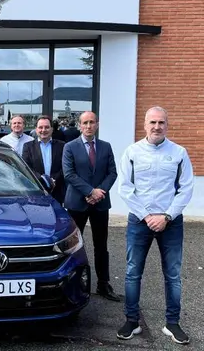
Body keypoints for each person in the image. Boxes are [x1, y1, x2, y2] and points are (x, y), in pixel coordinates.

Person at [116, 106, 194, 344]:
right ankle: (132, 321)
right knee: (133, 272)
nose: (157, 127)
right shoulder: (132, 152)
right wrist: (147, 216)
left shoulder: (179, 153)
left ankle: (172, 323)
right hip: (139, 221)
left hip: (171, 222)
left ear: (167, 125)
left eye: (161, 122)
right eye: (153, 122)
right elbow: (125, 188)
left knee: (173, 275)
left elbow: (186, 188)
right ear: (145, 125)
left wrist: (166, 216)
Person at [62, 111, 121, 302]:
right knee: (73, 245)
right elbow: (69, 174)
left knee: (101, 245)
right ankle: (71, 283)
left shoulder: (106, 146)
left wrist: (99, 192)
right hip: (77, 203)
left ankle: (103, 284)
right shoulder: (70, 147)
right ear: (80, 125)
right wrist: (89, 192)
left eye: (92, 122)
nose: (89, 126)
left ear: (97, 124)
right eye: (85, 123)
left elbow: (112, 173)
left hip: (100, 203)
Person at [22, 116, 66, 205]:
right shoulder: (28, 146)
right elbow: (26, 167)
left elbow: (65, 167)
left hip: (57, 191)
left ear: (52, 129)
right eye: (40, 127)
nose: (43, 130)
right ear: (36, 129)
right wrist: (43, 180)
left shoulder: (62, 145)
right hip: (36, 191)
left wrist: (53, 180)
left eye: (47, 127)